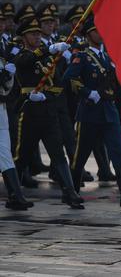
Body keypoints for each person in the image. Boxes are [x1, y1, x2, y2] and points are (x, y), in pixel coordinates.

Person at [63, 17, 121, 207]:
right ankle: (71, 193)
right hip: (89, 113)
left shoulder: (108, 56)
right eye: (97, 31)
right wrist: (86, 93)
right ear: (89, 34)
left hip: (109, 111)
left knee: (118, 153)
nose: (102, 34)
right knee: (81, 155)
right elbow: (69, 78)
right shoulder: (82, 56)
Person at [12, 17, 84, 209]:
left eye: (38, 33)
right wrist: (48, 50)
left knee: (57, 153)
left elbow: (57, 82)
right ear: (24, 37)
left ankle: (70, 193)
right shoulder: (21, 55)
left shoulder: (45, 59)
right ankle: (14, 194)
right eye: (33, 34)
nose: (37, 36)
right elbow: (26, 62)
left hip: (48, 112)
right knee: (22, 155)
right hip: (29, 112)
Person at [0, 48, 33, 210]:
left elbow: (8, 88)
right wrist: (4, 75)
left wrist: (8, 76)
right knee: (4, 153)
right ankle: (17, 196)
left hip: (2, 110)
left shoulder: (2, 58)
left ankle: (15, 196)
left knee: (5, 153)